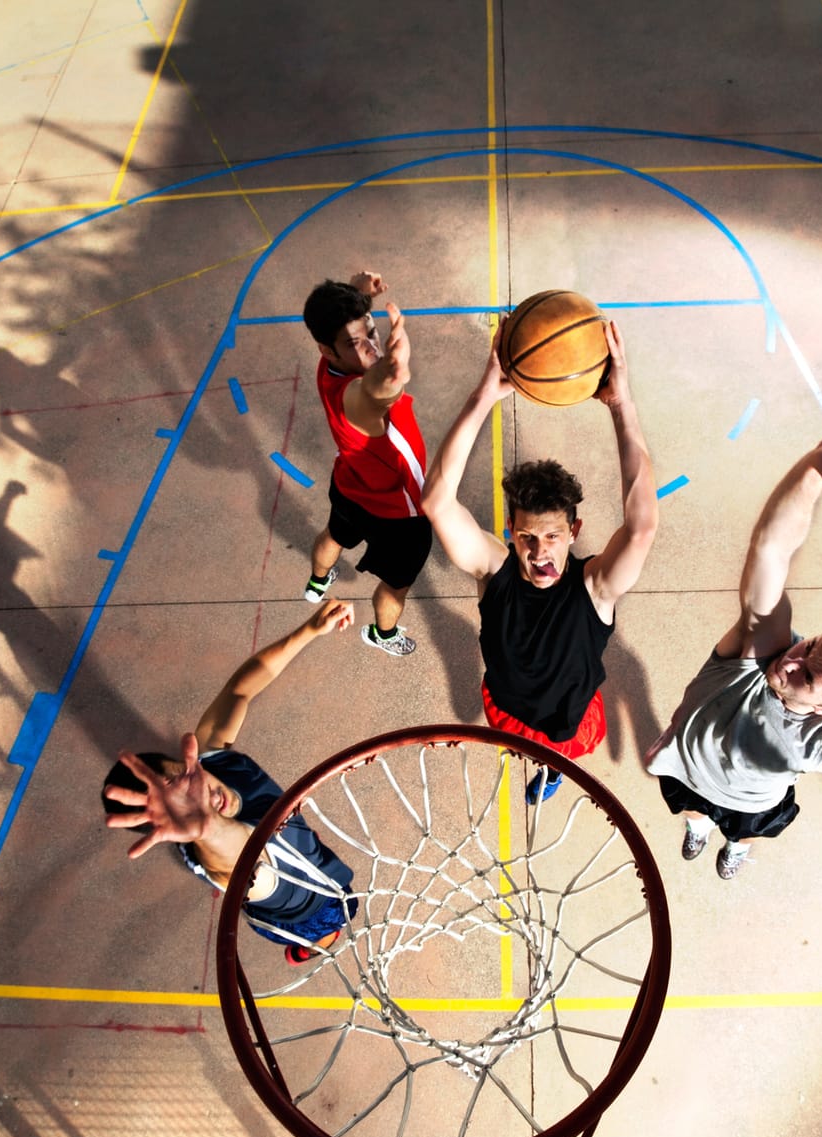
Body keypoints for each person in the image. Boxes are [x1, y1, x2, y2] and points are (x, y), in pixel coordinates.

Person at [644, 409, 822, 1023]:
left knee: (743, 828)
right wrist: (816, 469)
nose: (793, 657)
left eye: (808, 672)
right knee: (691, 809)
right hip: (688, 768)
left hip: (753, 799)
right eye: (811, 644)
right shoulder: (760, 646)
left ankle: (734, 843)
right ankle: (699, 827)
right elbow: (771, 547)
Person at [419, 322, 656, 802]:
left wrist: (621, 405)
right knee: (524, 750)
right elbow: (436, 502)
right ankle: (544, 769)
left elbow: (642, 526)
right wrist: (485, 395)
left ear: (574, 531)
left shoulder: (595, 587)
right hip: (508, 708)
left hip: (570, 724)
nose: (539, 550)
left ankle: (553, 773)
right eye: (526, 535)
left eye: (552, 536)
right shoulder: (495, 569)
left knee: (559, 759)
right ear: (510, 530)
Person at [102, 601, 360, 963]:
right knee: (342, 916)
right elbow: (245, 858)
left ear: (181, 761)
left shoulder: (211, 757)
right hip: (307, 912)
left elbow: (241, 688)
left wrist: (310, 630)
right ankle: (305, 947)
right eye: (183, 804)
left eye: (179, 777)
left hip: (299, 847)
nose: (204, 797)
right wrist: (207, 828)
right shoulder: (233, 864)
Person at [299, 270, 432, 658]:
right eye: (356, 344)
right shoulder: (359, 394)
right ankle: (383, 634)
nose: (371, 348)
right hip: (398, 514)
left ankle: (317, 583)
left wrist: (358, 292)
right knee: (395, 586)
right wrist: (397, 367)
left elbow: (350, 331)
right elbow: (377, 386)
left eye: (372, 333)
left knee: (333, 536)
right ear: (328, 350)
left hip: (348, 485)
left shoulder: (330, 367)